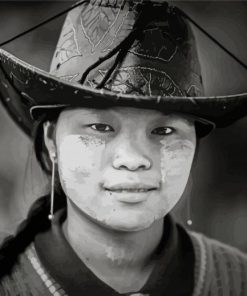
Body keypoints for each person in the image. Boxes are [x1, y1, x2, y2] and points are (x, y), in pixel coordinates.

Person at [0, 0, 247, 295]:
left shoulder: (237, 280)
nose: (132, 159)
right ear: (52, 138)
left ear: (194, 143)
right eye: (101, 127)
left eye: (164, 130)